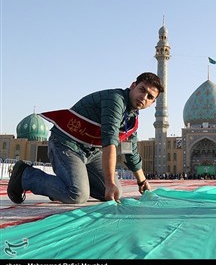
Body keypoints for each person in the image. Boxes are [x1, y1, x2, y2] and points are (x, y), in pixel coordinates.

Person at [8, 72, 164, 204]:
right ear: (133, 86)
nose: (144, 97)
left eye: (149, 96)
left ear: (152, 102)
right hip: (67, 144)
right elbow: (109, 141)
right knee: (78, 195)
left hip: (91, 153)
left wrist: (142, 181)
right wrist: (109, 183)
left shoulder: (131, 119)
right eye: (142, 90)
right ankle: (26, 175)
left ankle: (60, 188)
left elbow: (131, 152)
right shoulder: (115, 100)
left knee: (116, 194)